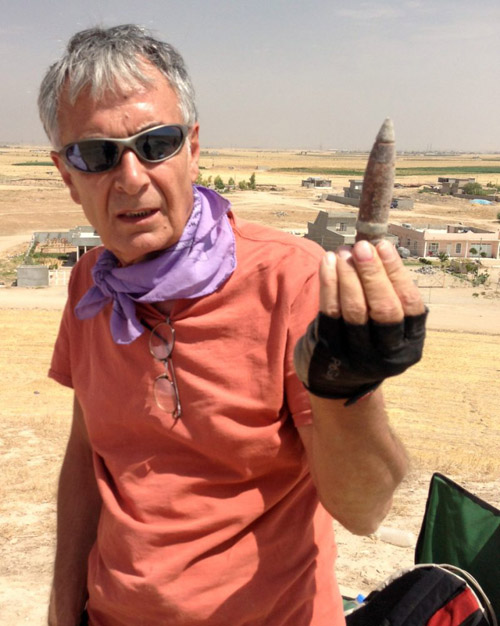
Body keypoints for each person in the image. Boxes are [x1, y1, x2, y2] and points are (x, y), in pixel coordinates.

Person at [39, 25, 427, 626]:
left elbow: (365, 508)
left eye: (157, 143)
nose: (133, 177)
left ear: (193, 148)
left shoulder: (291, 281)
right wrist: (65, 607)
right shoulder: (92, 284)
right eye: (96, 154)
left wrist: (348, 389)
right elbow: (88, 452)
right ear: (67, 176)